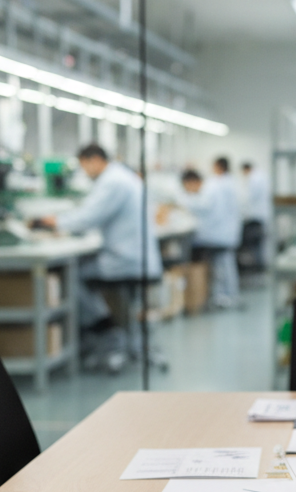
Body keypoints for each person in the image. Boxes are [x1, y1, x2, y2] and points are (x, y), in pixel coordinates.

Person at [43, 143, 163, 368]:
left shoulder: (112, 181)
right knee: (83, 269)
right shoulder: (124, 177)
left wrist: (54, 222)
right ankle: (123, 339)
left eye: (83, 165)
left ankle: (107, 333)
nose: (85, 172)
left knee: (73, 276)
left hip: (125, 260)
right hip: (137, 257)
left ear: (94, 159)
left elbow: (89, 217)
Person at [182, 156, 243, 309]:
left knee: (222, 268)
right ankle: (228, 295)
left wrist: (183, 201)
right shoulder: (227, 183)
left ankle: (224, 297)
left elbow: (202, 206)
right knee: (226, 266)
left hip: (218, 235)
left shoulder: (213, 186)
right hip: (226, 233)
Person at [239, 160, 270, 272]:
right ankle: (260, 265)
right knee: (260, 244)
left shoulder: (254, 178)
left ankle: (258, 266)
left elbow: (249, 198)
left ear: (246, 169)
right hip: (261, 216)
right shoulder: (261, 176)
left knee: (255, 244)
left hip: (256, 217)